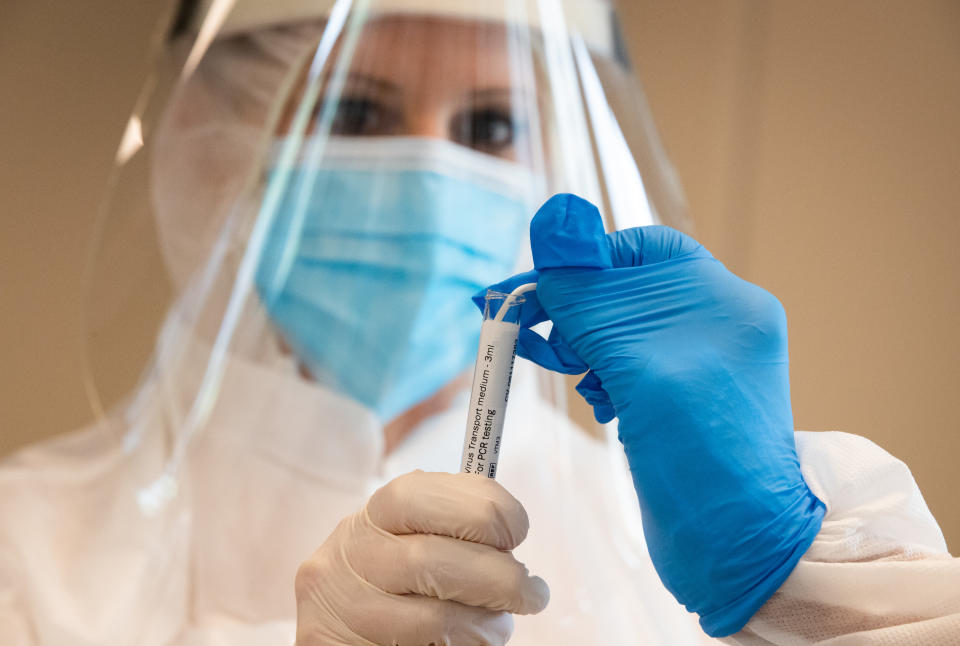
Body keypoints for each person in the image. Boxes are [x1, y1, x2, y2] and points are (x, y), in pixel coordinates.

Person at [1, 1, 957, 645]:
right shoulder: (26, 551)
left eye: (492, 126)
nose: (429, 177)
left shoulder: (663, 556)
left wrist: (803, 588)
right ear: (213, 146)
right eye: (356, 110)